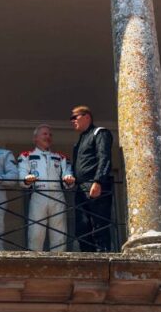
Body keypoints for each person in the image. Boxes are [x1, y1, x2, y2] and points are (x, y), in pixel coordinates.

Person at [18, 124, 75, 252]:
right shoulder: (26, 156)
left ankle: (59, 263)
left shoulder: (61, 157)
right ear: (35, 138)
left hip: (57, 195)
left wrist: (69, 179)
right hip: (38, 193)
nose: (48, 137)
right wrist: (26, 179)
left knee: (59, 233)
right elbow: (22, 176)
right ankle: (33, 263)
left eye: (50, 134)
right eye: (44, 134)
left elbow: (67, 173)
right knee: (36, 232)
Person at [70, 106, 115, 252]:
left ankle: (104, 256)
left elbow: (104, 157)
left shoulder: (99, 133)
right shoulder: (79, 141)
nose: (72, 121)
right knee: (82, 228)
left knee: (99, 225)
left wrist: (98, 181)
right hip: (81, 188)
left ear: (87, 117)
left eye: (75, 117)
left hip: (95, 185)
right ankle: (87, 260)